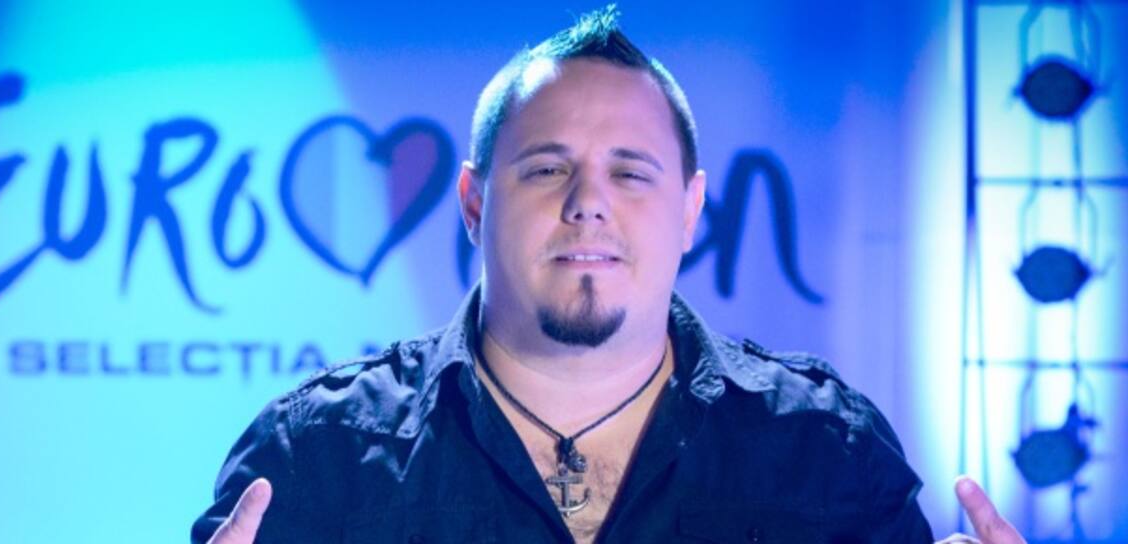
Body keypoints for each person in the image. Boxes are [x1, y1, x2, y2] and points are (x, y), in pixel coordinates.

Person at [192, 7, 1026, 543]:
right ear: (475, 203)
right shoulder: (317, 456)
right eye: (548, 169)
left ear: (690, 210)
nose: (588, 204)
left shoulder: (823, 449)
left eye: (630, 173)